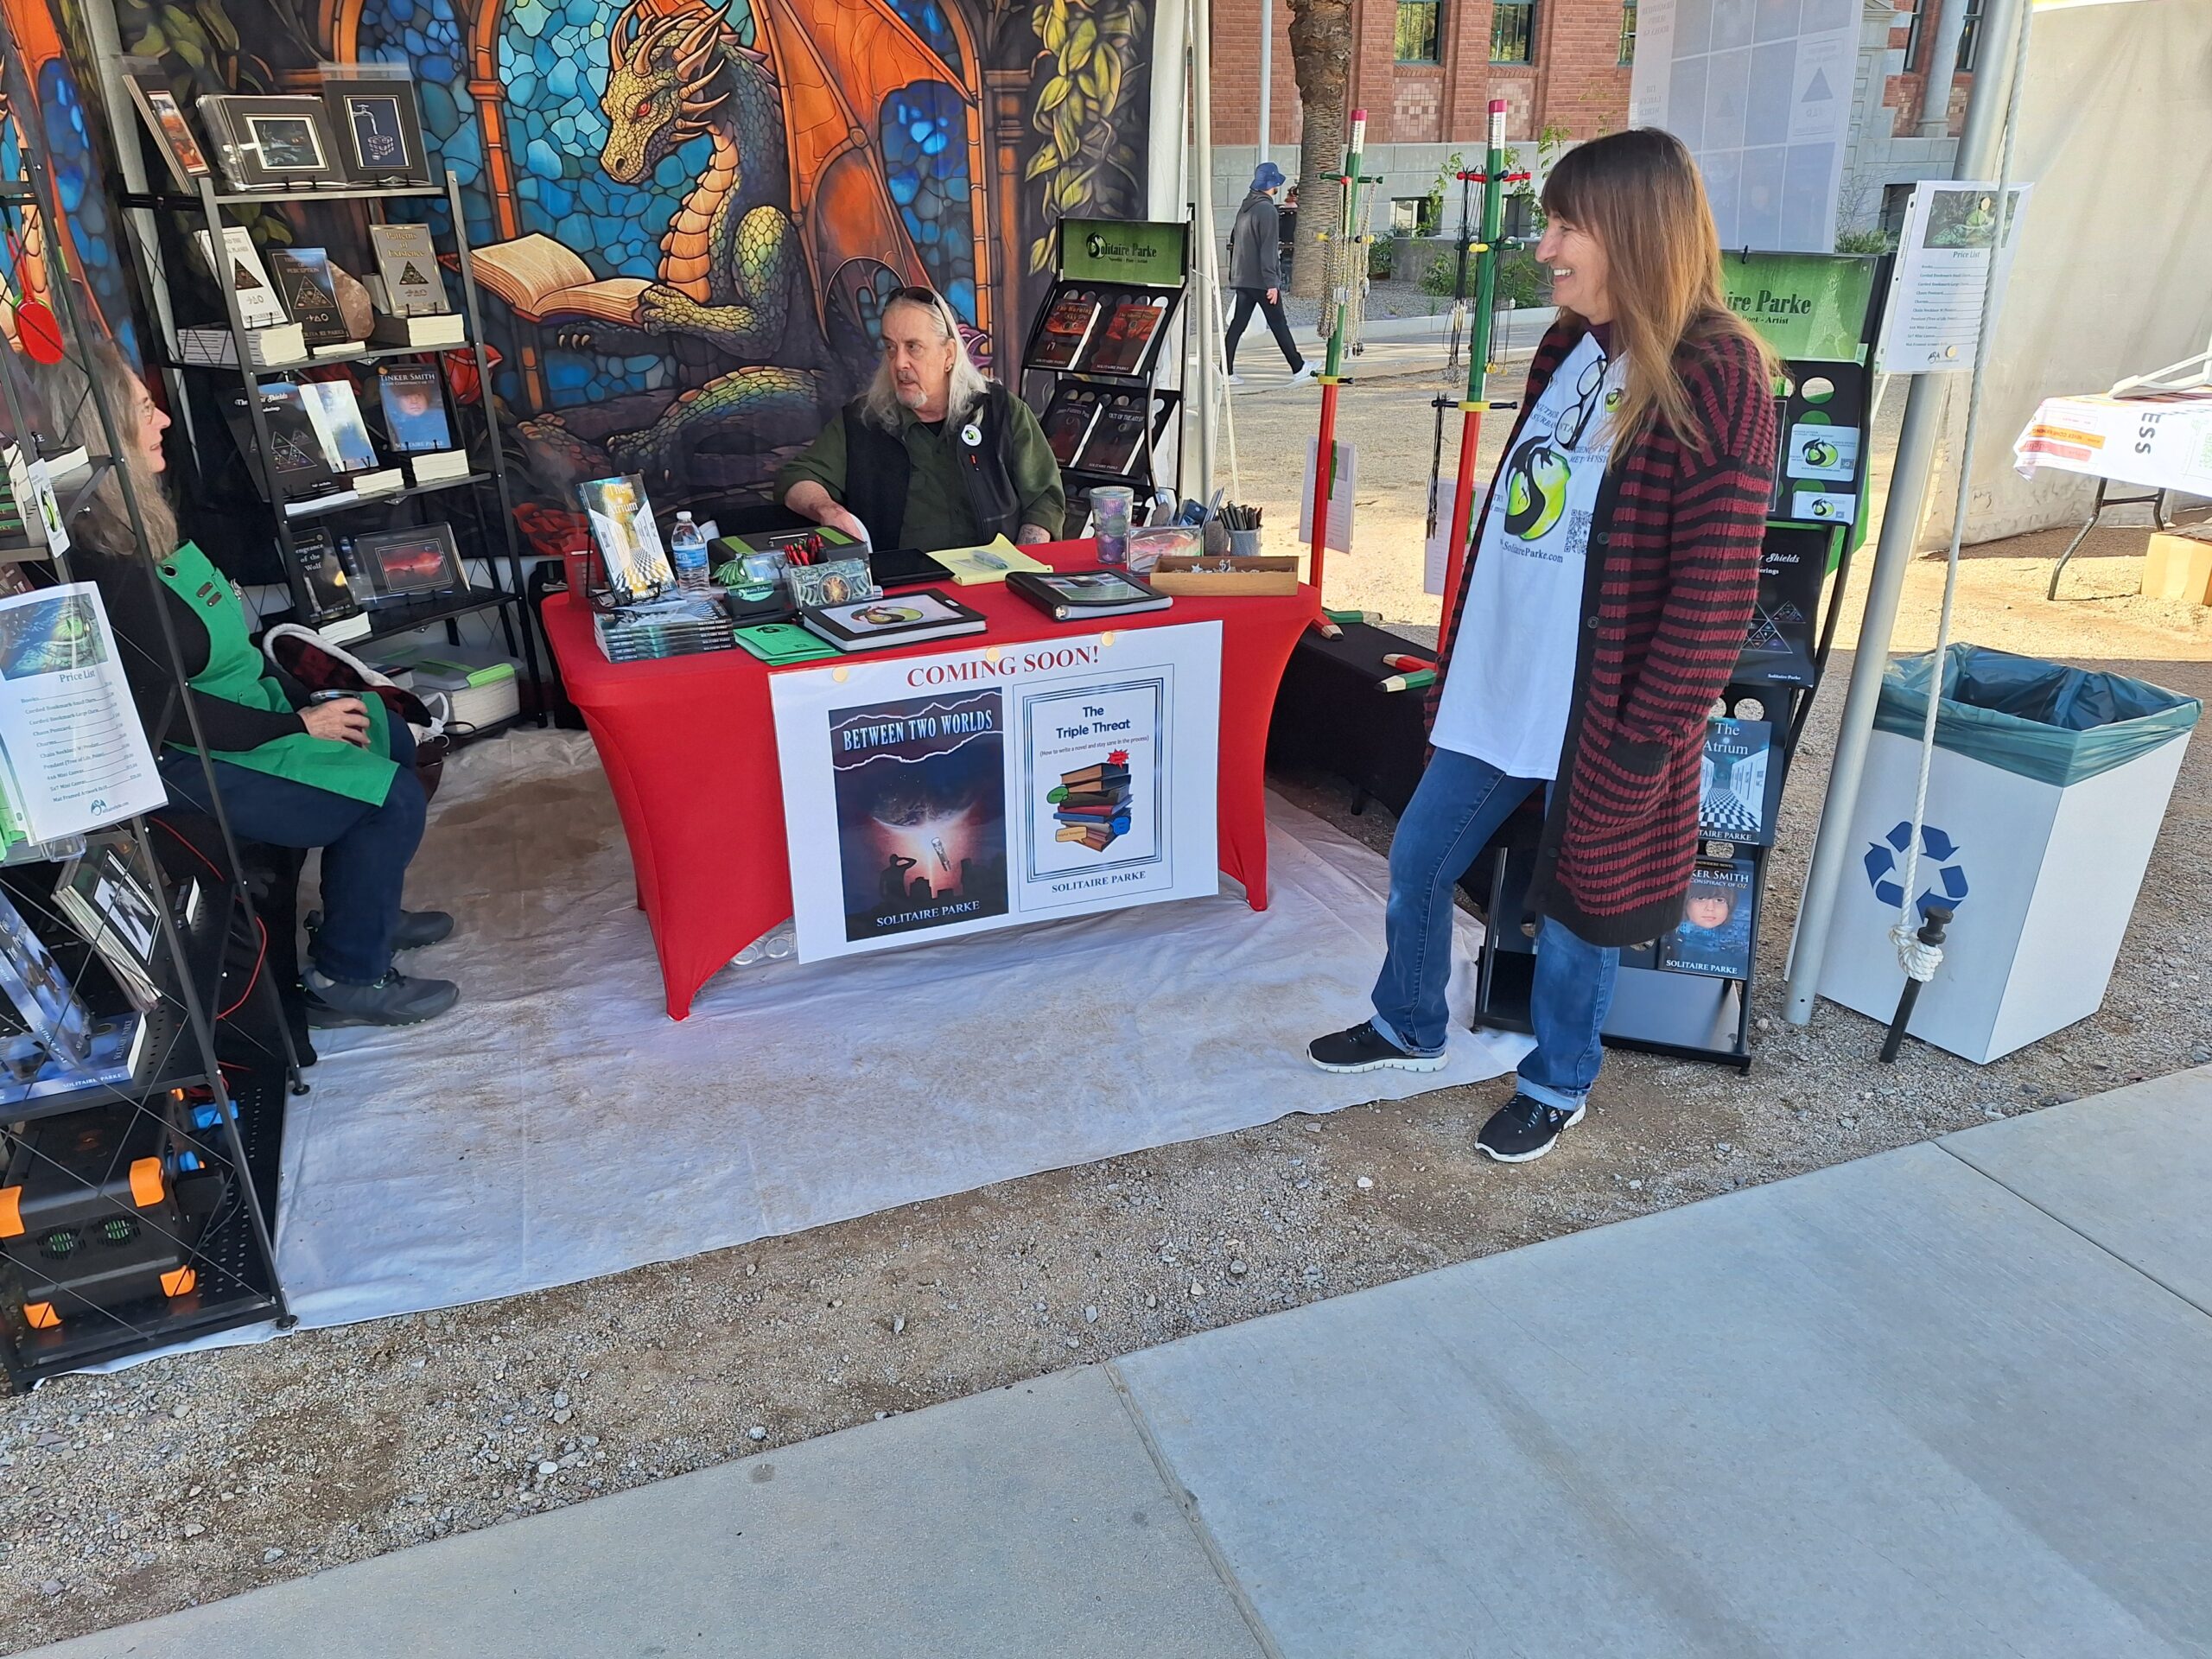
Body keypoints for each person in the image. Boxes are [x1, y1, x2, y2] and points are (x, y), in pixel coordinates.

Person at [1307, 128, 1779, 1164]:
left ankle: (1558, 1081)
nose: (1546, 249)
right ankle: (1408, 1024)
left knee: (1577, 910)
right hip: (1504, 683)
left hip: (1605, 712)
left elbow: (1715, 590)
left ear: (1634, 232)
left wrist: (1648, 737)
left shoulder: (1720, 372)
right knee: (1420, 859)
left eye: (1567, 227)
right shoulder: (1568, 347)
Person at [70, 344, 459, 1028]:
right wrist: (297, 725)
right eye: (144, 409)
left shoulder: (144, 521)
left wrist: (305, 700)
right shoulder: (104, 565)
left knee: (386, 731)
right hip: (186, 756)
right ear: (102, 431)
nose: (163, 420)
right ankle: (346, 977)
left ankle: (365, 912)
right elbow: (167, 712)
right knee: (390, 801)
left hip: (247, 711)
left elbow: (226, 652)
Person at [778, 286, 1065, 552]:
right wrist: (829, 511)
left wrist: (1021, 564)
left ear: (948, 355)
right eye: (891, 347)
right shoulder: (862, 421)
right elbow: (797, 478)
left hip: (992, 577)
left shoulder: (1002, 413)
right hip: (900, 581)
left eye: (913, 347)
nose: (899, 363)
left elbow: (1044, 500)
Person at [1224, 162, 1314, 387]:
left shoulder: (1246, 207)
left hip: (1243, 277)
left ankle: (1225, 371)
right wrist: (1272, 282)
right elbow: (1268, 249)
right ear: (1272, 184)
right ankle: (1298, 367)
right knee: (1278, 322)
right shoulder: (1267, 210)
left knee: (1237, 325)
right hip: (1261, 281)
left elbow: (1238, 242)